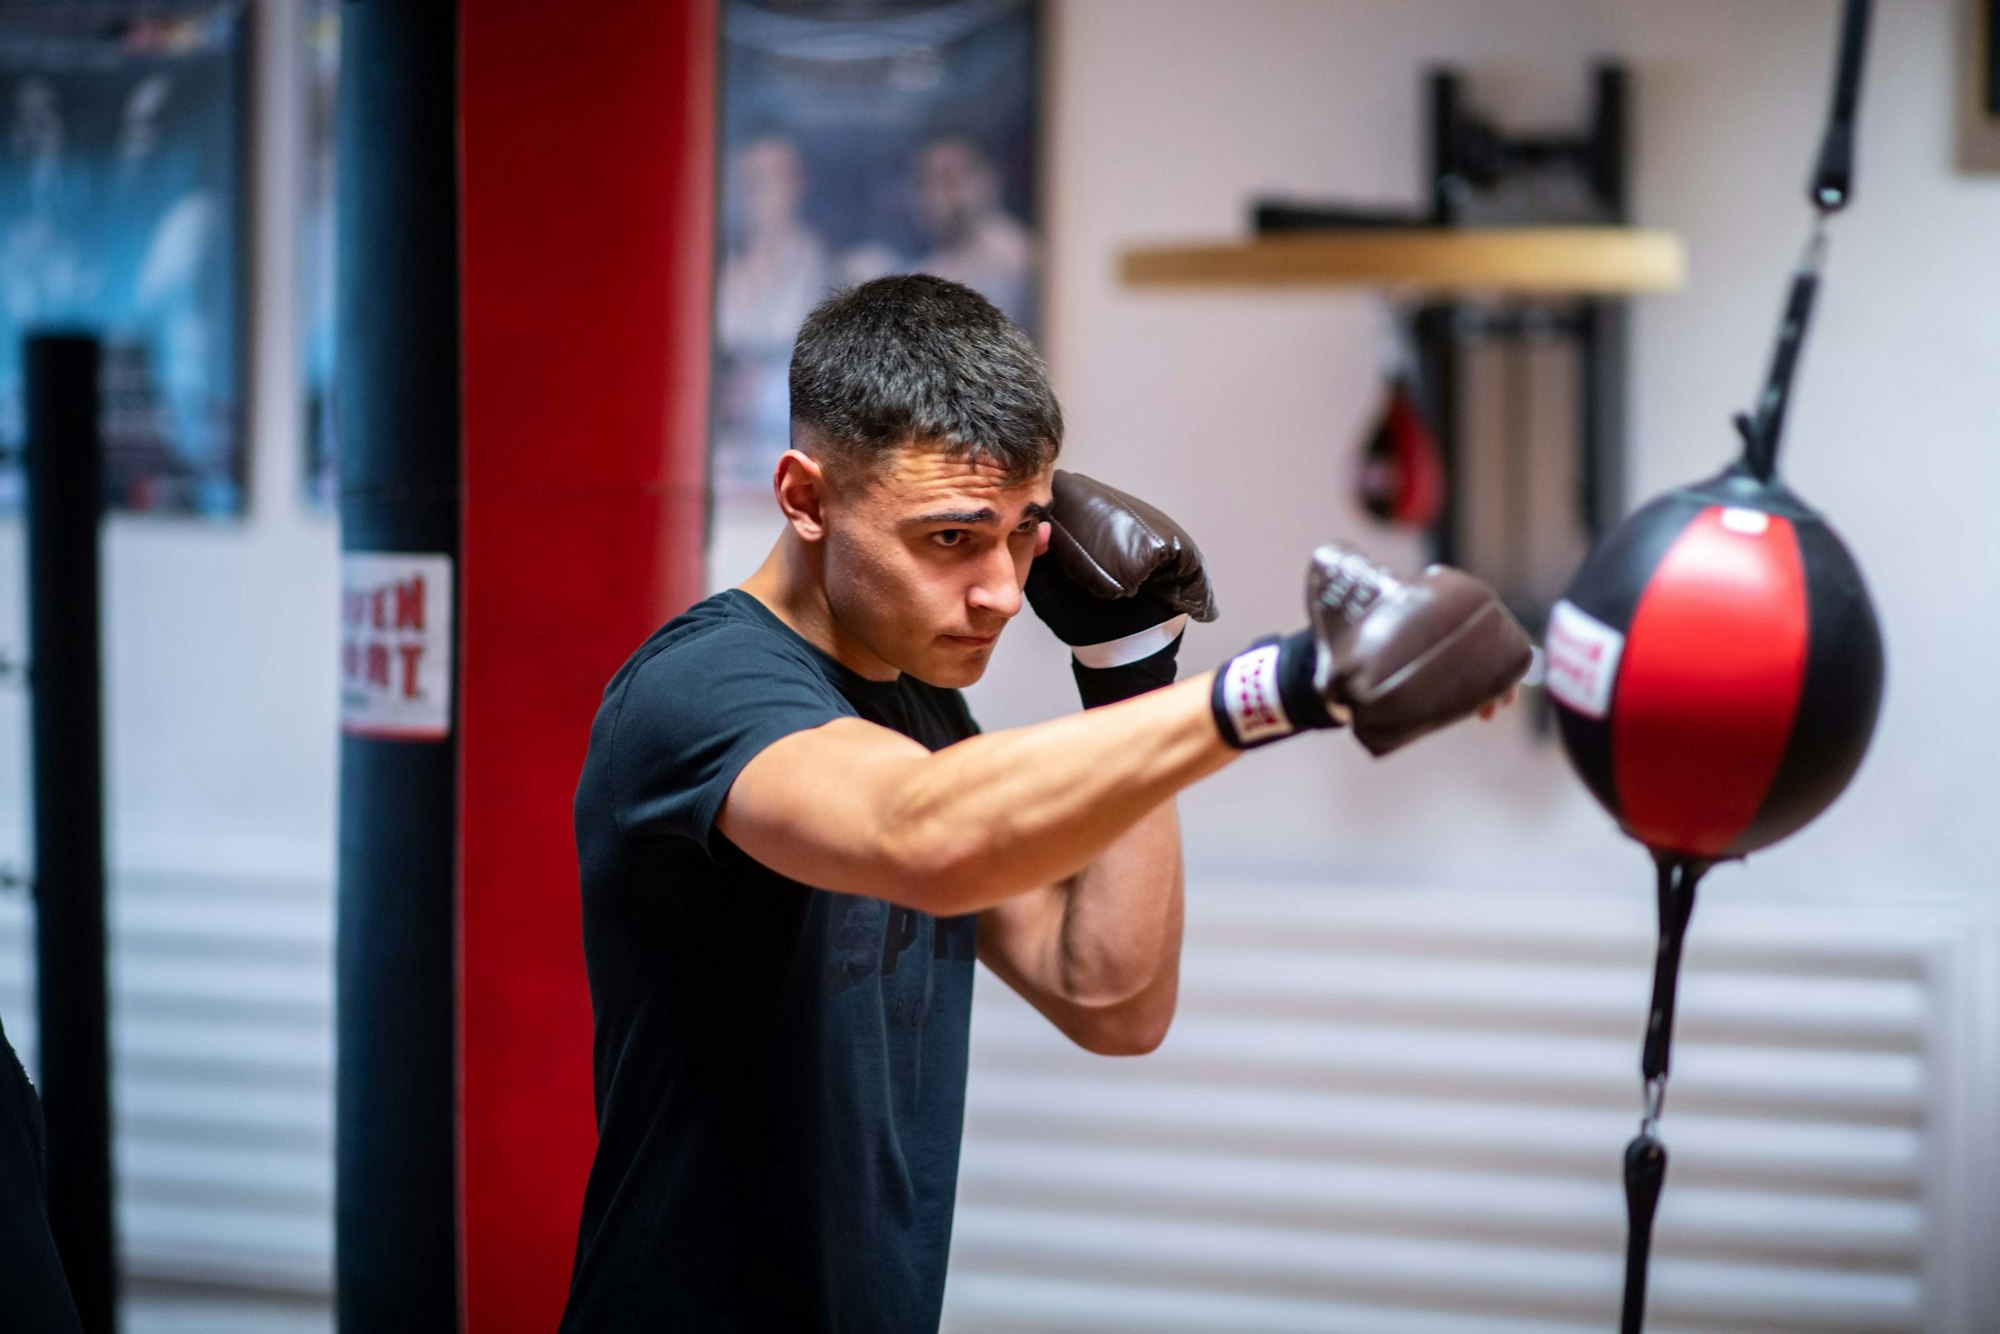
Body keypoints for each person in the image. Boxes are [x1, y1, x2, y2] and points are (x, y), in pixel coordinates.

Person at [558, 274, 1527, 1331]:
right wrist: (1281, 686)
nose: (1003, 591)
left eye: (1024, 531)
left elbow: (1109, 994)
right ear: (804, 497)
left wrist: (1130, 668)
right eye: (948, 538)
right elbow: (921, 831)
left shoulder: (917, 702)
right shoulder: (703, 689)